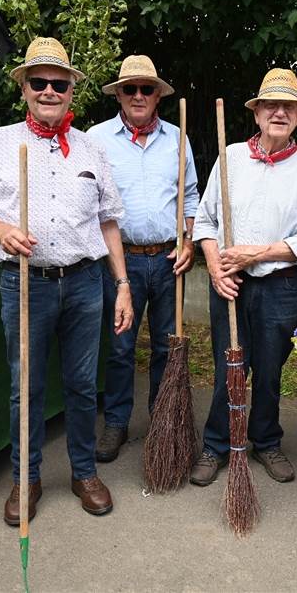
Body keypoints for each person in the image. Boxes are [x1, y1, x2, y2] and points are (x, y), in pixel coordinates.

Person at [0, 37, 134, 524]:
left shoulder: (92, 148)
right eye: (39, 82)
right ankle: (26, 478)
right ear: (24, 89)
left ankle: (84, 473)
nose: (48, 90)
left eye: (58, 84)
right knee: (26, 387)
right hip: (24, 282)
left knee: (82, 385)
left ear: (69, 92)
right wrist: (2, 230)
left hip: (84, 282)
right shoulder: (0, 142)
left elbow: (108, 222)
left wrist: (121, 285)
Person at [190, 68, 297, 486]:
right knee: (229, 366)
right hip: (230, 283)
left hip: (279, 286)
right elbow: (206, 222)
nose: (279, 112)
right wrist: (214, 267)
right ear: (258, 112)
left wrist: (256, 253)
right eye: (271, 105)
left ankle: (266, 442)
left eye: (288, 106)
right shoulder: (230, 158)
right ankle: (216, 444)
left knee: (268, 371)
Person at [86, 55, 199, 462]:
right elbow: (91, 204)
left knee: (168, 345)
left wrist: (188, 242)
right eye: (129, 88)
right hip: (122, 261)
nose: (137, 95)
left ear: (158, 96)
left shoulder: (178, 137)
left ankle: (163, 417)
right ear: (118, 94)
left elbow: (190, 197)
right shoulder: (95, 139)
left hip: (169, 258)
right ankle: (116, 421)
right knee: (120, 346)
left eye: (146, 89)